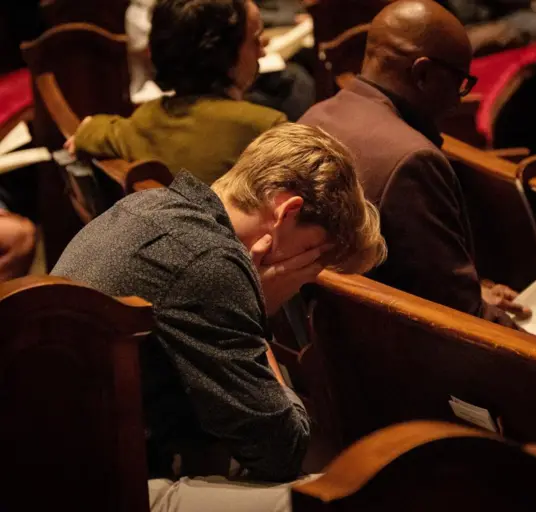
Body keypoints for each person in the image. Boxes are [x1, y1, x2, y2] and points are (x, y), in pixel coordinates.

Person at [52, 123, 387, 511]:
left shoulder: (148, 204)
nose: (303, 277)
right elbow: (281, 451)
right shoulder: (210, 264)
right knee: (333, 498)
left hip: (53, 454)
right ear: (287, 211)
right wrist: (259, 314)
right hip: (95, 486)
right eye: (313, 254)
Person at [300, 0, 529, 327]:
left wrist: (476, 290)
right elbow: (462, 319)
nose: (457, 100)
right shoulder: (413, 161)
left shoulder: (315, 116)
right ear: (422, 73)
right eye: (460, 83)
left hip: (340, 338)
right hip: (397, 357)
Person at [66, 0, 285, 185]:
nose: (262, 51)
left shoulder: (145, 120)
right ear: (224, 55)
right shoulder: (266, 129)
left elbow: (89, 132)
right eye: (255, 40)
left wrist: (87, 132)